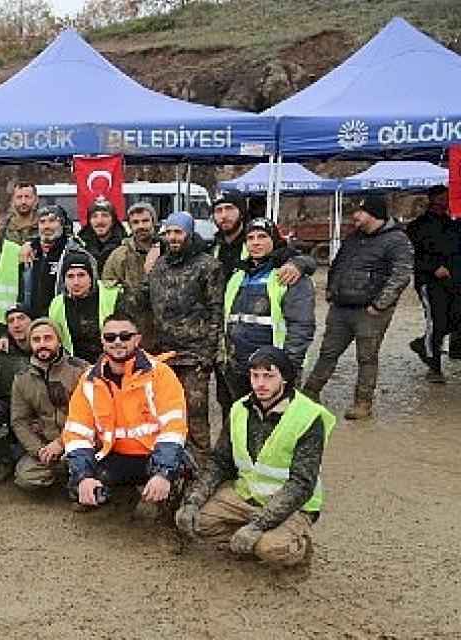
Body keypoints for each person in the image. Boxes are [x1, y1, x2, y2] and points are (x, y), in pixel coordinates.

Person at [176, 346, 335, 568]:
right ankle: (248, 537)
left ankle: (297, 545)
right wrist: (193, 501)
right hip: (246, 495)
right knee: (195, 521)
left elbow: (301, 484)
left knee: (271, 548)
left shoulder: (308, 418)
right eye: (255, 376)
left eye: (269, 376)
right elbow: (220, 461)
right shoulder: (239, 409)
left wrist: (258, 525)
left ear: (285, 379)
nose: (260, 383)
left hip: (292, 506)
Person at [62, 313, 187, 518]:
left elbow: (173, 429)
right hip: (115, 456)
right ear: (102, 341)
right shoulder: (89, 380)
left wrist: (163, 473)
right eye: (110, 337)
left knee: (170, 491)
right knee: (78, 487)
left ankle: (163, 496)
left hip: (154, 455)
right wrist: (84, 477)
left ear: (137, 339)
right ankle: (122, 494)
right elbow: (76, 433)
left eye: (125, 336)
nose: (117, 341)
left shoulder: (160, 374)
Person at [301, 196, 413, 420]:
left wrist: (380, 305)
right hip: (342, 307)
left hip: (371, 311)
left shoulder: (397, 240)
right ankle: (309, 394)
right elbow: (338, 265)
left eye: (360, 212)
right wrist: (332, 291)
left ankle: (363, 403)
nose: (355, 216)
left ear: (374, 214)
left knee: (367, 357)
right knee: (327, 353)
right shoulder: (353, 238)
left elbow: (401, 275)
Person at [128, 212, 222, 465]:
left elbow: (216, 309)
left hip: (195, 354)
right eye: (168, 232)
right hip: (164, 353)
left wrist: (209, 353)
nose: (173, 237)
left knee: (196, 412)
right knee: (166, 411)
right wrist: (146, 272)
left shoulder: (207, 266)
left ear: (189, 234)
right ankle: (172, 463)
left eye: (178, 232)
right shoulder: (159, 265)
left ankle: (202, 464)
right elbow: (140, 300)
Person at [221, 217, 316, 405]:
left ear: (274, 239)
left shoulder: (289, 275)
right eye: (250, 238)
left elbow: (301, 326)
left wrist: (289, 367)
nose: (255, 242)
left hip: (274, 369)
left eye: (262, 236)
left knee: (278, 424)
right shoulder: (238, 275)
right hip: (241, 368)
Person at [10, 318, 90, 494]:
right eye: (36, 340)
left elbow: (93, 417)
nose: (42, 344)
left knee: (91, 483)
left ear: (59, 340)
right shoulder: (22, 379)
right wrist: (38, 450)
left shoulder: (81, 370)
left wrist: (62, 442)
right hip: (45, 445)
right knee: (26, 478)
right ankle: (63, 473)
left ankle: (77, 477)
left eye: (48, 338)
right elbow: (19, 421)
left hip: (80, 442)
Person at [406, 185, 461, 383]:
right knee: (436, 322)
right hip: (430, 283)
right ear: (434, 200)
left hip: (454, 281)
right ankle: (434, 365)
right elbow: (411, 255)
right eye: (443, 198)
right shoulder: (417, 226)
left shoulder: (453, 224)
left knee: (456, 319)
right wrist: (433, 267)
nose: (446, 202)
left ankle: (422, 344)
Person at [0, 305, 36, 484]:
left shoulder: (45, 347)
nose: (16, 324)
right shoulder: (0, 352)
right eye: (11, 321)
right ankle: (3, 462)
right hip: (9, 412)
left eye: (21, 318)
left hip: (41, 412)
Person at [101, 202, 159, 350]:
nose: (140, 226)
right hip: (132, 334)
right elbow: (107, 296)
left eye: (145, 221)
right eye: (135, 222)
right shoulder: (119, 256)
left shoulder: (167, 251)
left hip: (165, 333)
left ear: (154, 222)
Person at [47, 251, 120, 365]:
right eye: (70, 276)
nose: (76, 282)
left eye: (81, 275)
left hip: (113, 362)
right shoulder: (57, 304)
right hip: (75, 366)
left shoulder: (112, 295)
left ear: (91, 278)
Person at [21, 204, 74, 317]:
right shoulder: (30, 252)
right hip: (33, 321)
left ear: (62, 224)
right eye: (42, 222)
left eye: (52, 221)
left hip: (62, 319)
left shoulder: (73, 252)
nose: (47, 226)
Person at [77, 197, 126, 268]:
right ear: (89, 221)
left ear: (113, 220)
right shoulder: (78, 247)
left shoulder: (125, 245)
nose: (99, 221)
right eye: (94, 216)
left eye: (105, 215)